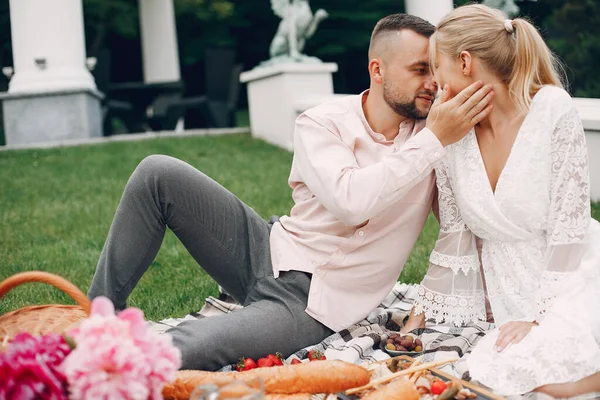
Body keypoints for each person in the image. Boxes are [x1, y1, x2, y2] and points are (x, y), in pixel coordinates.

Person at [88, 13, 494, 371]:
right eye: (420, 70)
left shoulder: (435, 139)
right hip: (266, 249)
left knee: (195, 344)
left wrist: (431, 304)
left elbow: (457, 230)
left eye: (434, 73)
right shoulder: (322, 122)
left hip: (313, 306)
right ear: (378, 69)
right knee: (157, 172)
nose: (432, 85)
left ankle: (96, 367)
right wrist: (433, 140)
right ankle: (96, 320)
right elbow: (350, 201)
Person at [404, 4, 600, 398]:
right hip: (510, 291)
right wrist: (423, 311)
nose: (433, 81)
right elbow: (454, 233)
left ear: (464, 62)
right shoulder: (448, 129)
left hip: (573, 273)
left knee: (551, 382)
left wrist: (539, 317)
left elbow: (570, 228)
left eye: (434, 66)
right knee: (492, 373)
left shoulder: (552, 109)